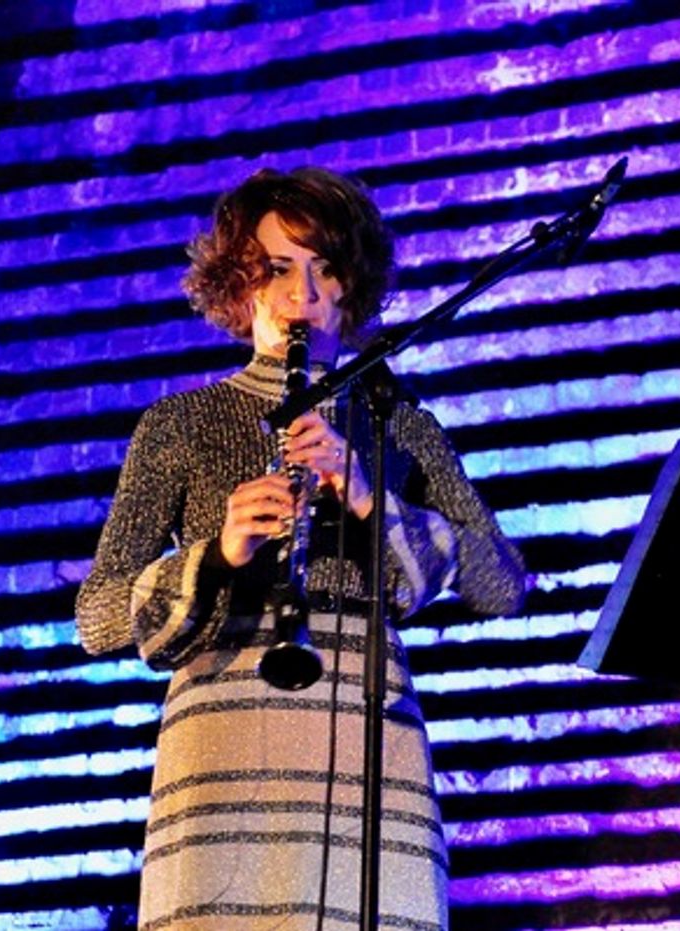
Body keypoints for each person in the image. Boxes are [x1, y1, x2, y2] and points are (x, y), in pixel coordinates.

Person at [75, 166, 527, 931]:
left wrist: (367, 498)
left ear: (354, 289)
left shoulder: (397, 422)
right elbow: (98, 616)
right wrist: (218, 552)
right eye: (278, 268)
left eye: (326, 270)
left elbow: (503, 583)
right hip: (223, 748)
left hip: (364, 742)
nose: (303, 294)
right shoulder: (181, 423)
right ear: (237, 284)